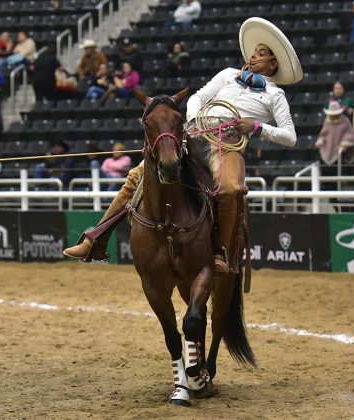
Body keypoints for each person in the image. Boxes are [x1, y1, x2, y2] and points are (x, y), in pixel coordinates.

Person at [64, 17, 302, 275]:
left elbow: (290, 136)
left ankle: (221, 252)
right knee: (135, 176)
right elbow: (199, 95)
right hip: (194, 132)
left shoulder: (275, 95)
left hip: (226, 144)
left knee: (231, 188)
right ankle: (94, 241)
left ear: (273, 64)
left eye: (262, 54)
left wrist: (256, 127)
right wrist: (194, 117)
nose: (255, 55)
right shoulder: (227, 75)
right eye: (255, 51)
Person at [315, 102, 354, 166]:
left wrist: (345, 142)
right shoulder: (327, 121)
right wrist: (321, 140)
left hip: (342, 151)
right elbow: (324, 134)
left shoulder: (345, 120)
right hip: (328, 145)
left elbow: (349, 133)